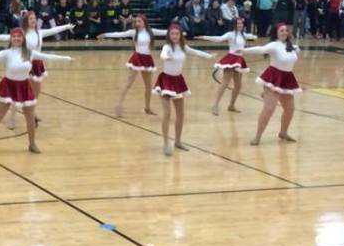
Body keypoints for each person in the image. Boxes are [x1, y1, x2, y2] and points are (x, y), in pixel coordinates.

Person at [0, 27, 74, 155]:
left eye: (19, 37)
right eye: (14, 37)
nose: (16, 39)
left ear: (23, 39)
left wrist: (67, 58)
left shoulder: (30, 53)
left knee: (30, 118)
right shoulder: (7, 53)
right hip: (8, 86)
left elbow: (47, 56)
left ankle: (32, 144)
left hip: (24, 87)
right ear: (11, 39)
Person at [154, 24, 214, 156]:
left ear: (180, 35)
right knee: (167, 114)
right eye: (172, 34)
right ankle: (165, 143)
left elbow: (195, 52)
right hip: (165, 81)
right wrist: (165, 57)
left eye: (177, 34)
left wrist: (208, 56)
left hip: (177, 81)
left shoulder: (183, 47)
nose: (175, 36)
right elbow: (163, 54)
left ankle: (178, 141)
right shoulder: (167, 47)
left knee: (180, 114)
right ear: (169, 35)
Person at [242, 23, 301, 145]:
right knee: (269, 109)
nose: (285, 32)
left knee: (290, 109)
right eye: (281, 31)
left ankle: (283, 132)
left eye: (286, 30)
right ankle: (257, 136)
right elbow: (261, 49)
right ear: (276, 33)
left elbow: (292, 57)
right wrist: (243, 50)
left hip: (287, 79)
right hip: (273, 78)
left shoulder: (292, 46)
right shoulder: (274, 45)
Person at [97, 14, 167, 117]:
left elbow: (166, 32)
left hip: (147, 60)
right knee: (128, 84)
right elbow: (119, 34)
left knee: (148, 86)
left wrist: (180, 31)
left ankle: (147, 108)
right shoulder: (134, 32)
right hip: (137, 59)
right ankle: (118, 106)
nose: (137, 23)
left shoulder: (151, 31)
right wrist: (106, 34)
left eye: (139, 21)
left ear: (144, 22)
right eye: (136, 22)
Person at [196, 17, 257, 115]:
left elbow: (253, 37)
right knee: (225, 83)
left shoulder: (244, 35)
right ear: (234, 25)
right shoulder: (230, 35)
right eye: (237, 23)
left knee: (238, 85)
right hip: (231, 59)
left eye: (241, 23)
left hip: (239, 60)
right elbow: (218, 39)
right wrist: (204, 37)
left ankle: (231, 105)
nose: (240, 25)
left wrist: (254, 36)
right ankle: (215, 105)